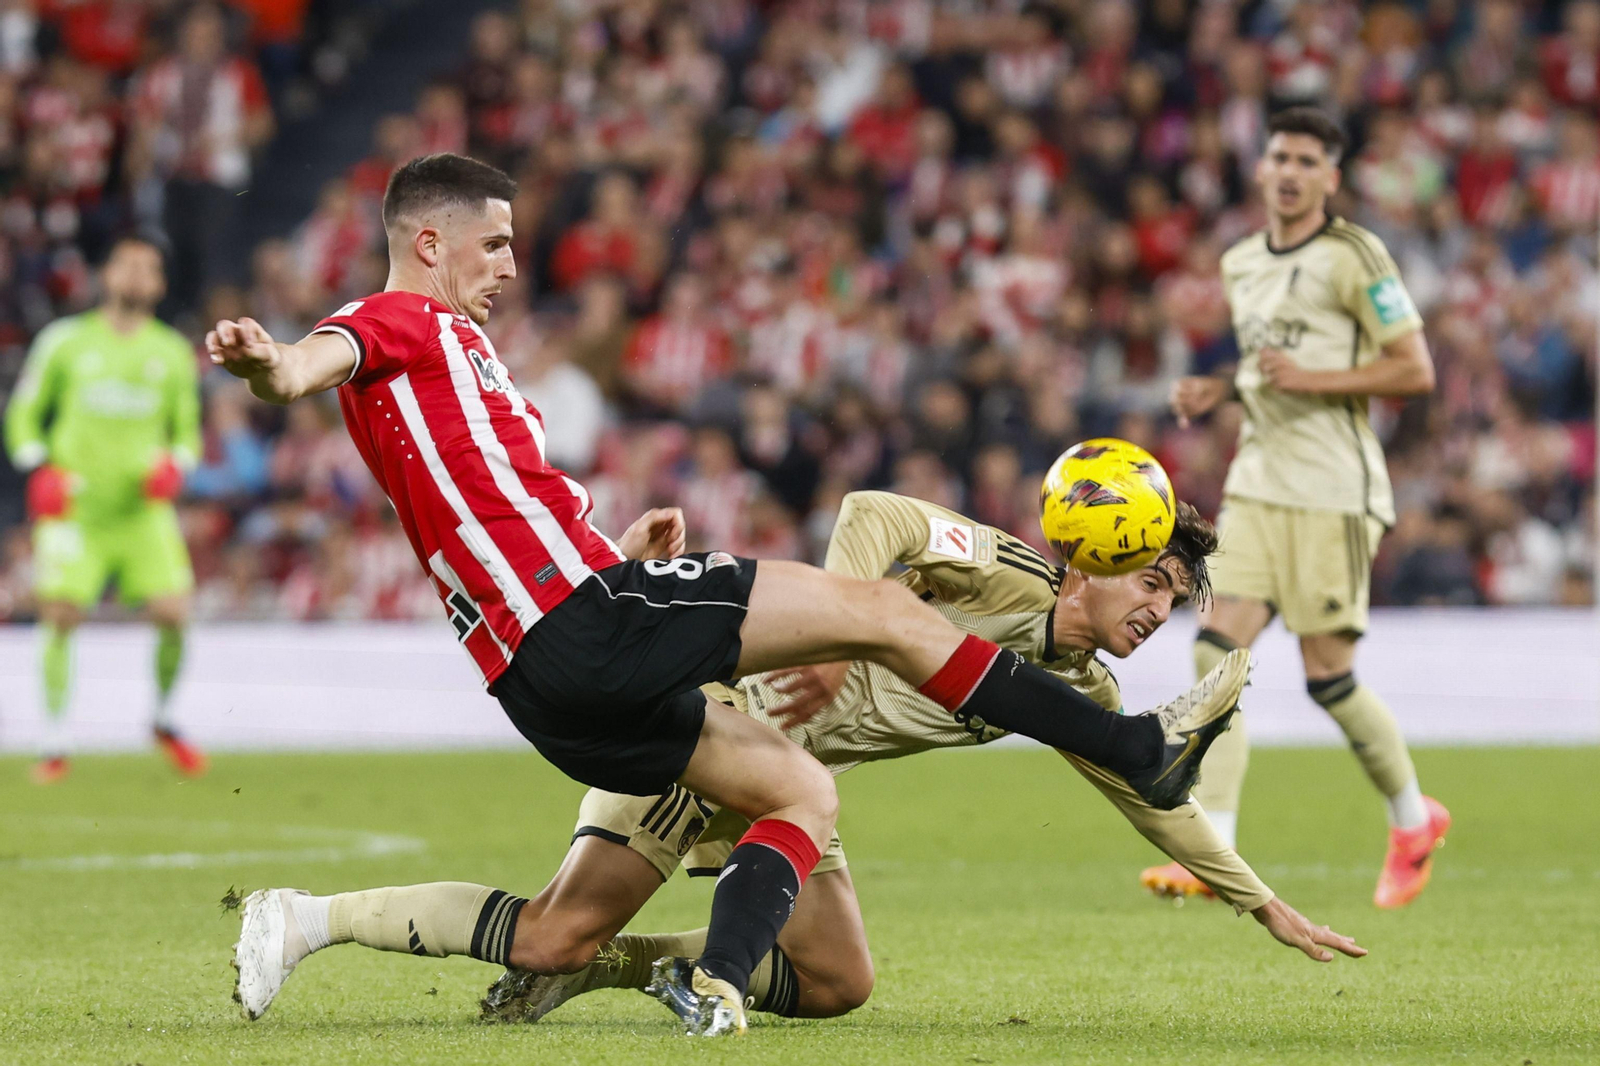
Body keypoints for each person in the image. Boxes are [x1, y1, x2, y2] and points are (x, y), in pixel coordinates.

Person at [212, 153, 1244, 1036]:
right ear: (428, 242)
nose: (511, 266)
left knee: (732, 829)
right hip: (583, 625)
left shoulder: (458, 354)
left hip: (551, 663)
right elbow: (319, 359)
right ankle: (1137, 751)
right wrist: (275, 364)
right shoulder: (394, 319)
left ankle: (304, 920)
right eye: (494, 246)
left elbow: (492, 515)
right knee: (884, 613)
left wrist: (612, 550)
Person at [222, 490, 1354, 1031]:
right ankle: (305, 916)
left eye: (1173, 597)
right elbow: (877, 515)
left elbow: (1156, 804)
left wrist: (1262, 903)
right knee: (552, 925)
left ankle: (644, 970)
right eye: (1149, 580)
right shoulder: (999, 569)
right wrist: (837, 618)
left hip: (782, 793)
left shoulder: (1081, 692)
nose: (1157, 609)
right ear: (1092, 561)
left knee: (838, 982)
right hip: (706, 724)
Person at [1161, 107, 1450, 910]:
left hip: (1332, 489)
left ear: (1332, 176)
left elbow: (1414, 370)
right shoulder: (1242, 262)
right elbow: (1269, 366)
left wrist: (1310, 381)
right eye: (1278, 156)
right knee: (1214, 652)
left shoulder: (1356, 255)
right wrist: (1222, 388)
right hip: (1256, 484)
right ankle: (1212, 845)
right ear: (1261, 169)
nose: (1289, 171)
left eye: (1307, 160)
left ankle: (1412, 818)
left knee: (1329, 678)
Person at [3, 236, 207, 783]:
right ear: (107, 275)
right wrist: (38, 465)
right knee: (62, 614)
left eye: (150, 269)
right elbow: (23, 414)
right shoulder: (64, 341)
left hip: (142, 510)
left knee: (175, 613)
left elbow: (187, 433)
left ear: (160, 285)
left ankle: (163, 721)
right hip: (75, 508)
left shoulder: (170, 352)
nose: (138, 276)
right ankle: (54, 743)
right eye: (128, 265)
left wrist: (176, 466)